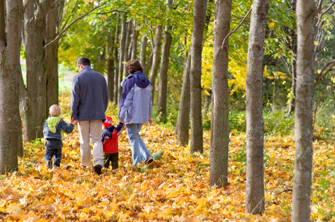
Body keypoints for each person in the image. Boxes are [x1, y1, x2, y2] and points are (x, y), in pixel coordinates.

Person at [71, 57, 108, 175]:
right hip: (97, 114)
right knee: (97, 140)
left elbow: (75, 98)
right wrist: (102, 110)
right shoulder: (101, 77)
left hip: (82, 114)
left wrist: (74, 114)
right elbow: (105, 97)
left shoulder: (78, 77)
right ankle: (98, 163)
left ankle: (86, 165)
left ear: (80, 66)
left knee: (84, 141)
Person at [119, 60, 153, 167]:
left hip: (131, 115)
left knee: (133, 138)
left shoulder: (130, 82)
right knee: (136, 136)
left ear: (130, 70)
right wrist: (148, 115)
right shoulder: (147, 82)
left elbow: (126, 101)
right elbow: (149, 101)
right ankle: (147, 157)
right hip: (142, 115)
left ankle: (137, 163)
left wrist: (121, 116)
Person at [43, 104, 74, 169]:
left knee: (48, 154)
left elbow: (44, 131)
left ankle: (48, 161)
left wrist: (46, 137)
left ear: (50, 113)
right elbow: (68, 130)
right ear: (59, 113)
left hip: (49, 141)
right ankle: (56, 167)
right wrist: (72, 124)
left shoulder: (47, 121)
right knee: (57, 155)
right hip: (58, 142)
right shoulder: (60, 121)